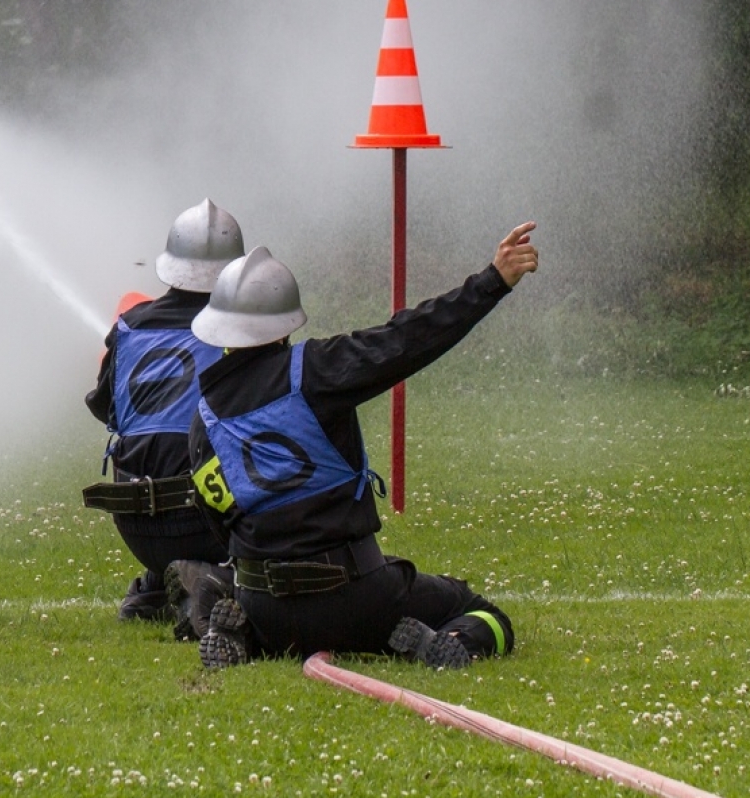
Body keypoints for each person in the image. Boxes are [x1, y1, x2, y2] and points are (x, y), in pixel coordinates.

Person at [185, 223, 539, 669]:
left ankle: (246, 637)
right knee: (483, 612)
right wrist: (492, 281)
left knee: (236, 592)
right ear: (283, 326)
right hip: (358, 597)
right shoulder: (314, 371)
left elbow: (219, 524)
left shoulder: (204, 419)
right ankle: (452, 643)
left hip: (265, 606)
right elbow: (407, 339)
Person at [83, 199, 241, 634]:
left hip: (134, 523)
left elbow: (104, 409)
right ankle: (204, 582)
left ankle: (155, 584)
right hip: (207, 522)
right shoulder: (237, 334)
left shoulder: (130, 327)